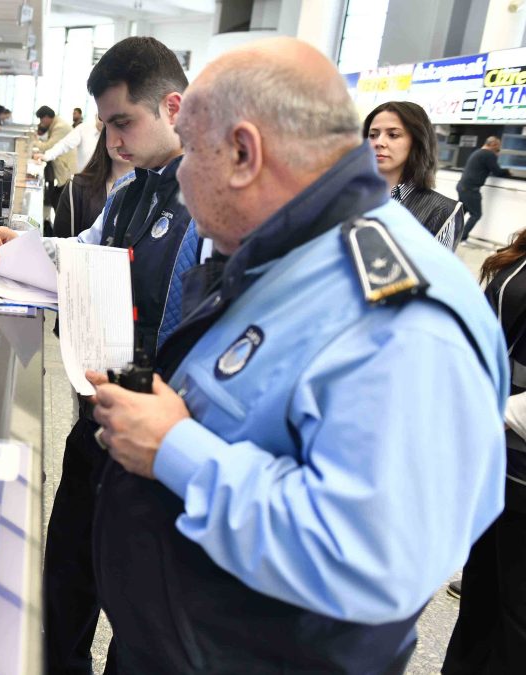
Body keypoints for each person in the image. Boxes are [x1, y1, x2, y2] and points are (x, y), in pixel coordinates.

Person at [88, 37, 506, 673]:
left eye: (191, 150)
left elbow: (370, 559)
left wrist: (174, 450)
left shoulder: (399, 319)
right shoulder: (291, 256)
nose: (177, 171)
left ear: (243, 154)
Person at [0, 36, 197, 675]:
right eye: (106, 127)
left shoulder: (210, 205)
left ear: (175, 107)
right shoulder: (132, 192)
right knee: (66, 575)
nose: (113, 142)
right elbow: (78, 255)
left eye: (124, 123)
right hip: (97, 418)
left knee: (138, 612)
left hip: (161, 445)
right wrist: (23, 247)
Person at [443, 235, 526, 674]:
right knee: (479, 602)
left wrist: (497, 410)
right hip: (494, 462)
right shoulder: (520, 252)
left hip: (516, 452)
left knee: (517, 622)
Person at [364, 101, 464, 249]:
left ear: (417, 142)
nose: (379, 142)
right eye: (372, 135)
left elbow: (434, 270)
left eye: (393, 135)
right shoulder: (344, 193)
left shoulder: (441, 210)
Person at [52, 129, 134, 238]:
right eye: (115, 130)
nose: (121, 142)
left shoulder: (154, 190)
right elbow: (62, 241)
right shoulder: (77, 187)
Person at [458, 136, 511, 240]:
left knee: (459, 214)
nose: (498, 150)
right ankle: (461, 237)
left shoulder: (478, 152)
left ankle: (450, 233)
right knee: (476, 214)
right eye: (498, 147)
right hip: (471, 189)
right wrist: (508, 172)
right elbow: (497, 171)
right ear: (493, 145)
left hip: (463, 186)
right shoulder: (489, 154)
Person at [32, 105, 78, 227]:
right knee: (57, 195)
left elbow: (48, 146)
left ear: (47, 117)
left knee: (60, 196)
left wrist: (34, 140)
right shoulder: (57, 124)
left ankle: (61, 226)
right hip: (63, 164)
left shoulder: (60, 127)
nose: (41, 123)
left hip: (66, 165)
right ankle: (58, 223)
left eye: (42, 120)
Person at [34, 116, 102, 176]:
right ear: (96, 116)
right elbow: (65, 144)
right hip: (84, 178)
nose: (102, 122)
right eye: (100, 118)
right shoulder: (84, 128)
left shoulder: (110, 135)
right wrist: (46, 156)